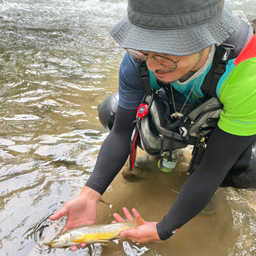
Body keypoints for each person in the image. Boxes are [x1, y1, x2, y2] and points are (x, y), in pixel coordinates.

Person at [50, 0, 256, 251]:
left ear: (207, 41)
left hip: (216, 127)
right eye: (144, 52)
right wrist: (89, 193)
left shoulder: (246, 70)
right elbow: (122, 132)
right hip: (170, 110)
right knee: (112, 111)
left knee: (249, 162)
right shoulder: (137, 60)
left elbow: (217, 164)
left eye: (165, 55)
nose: (151, 65)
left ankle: (197, 177)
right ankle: (160, 149)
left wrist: (165, 227)